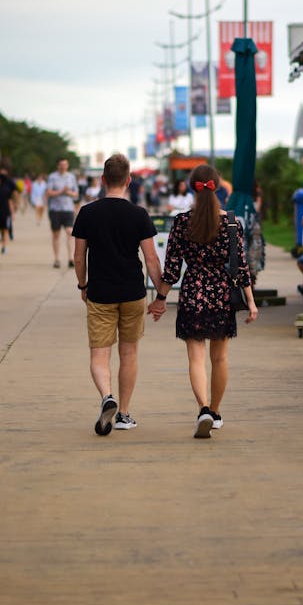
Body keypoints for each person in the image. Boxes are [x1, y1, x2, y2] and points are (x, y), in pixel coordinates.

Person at [148, 163, 258, 439]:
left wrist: (160, 299)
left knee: (195, 359)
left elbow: (172, 269)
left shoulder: (182, 222)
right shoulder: (232, 223)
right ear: (217, 186)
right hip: (221, 296)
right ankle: (216, 412)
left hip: (193, 294)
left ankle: (203, 409)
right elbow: (242, 267)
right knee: (220, 358)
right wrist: (251, 302)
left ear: (191, 187)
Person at [72, 153, 163, 436]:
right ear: (128, 180)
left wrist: (83, 285)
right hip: (133, 292)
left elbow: (78, 257)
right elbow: (151, 259)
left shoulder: (87, 213)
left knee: (100, 354)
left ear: (102, 180)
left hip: (100, 292)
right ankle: (123, 413)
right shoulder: (139, 214)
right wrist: (160, 296)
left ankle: (106, 396)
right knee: (129, 353)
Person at [46, 158, 79, 268]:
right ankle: (56, 259)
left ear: (67, 165)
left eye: (65, 164)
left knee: (70, 232)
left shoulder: (71, 177)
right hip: (55, 209)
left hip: (68, 209)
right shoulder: (52, 177)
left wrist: (68, 192)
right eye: (61, 165)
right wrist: (61, 191)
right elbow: (49, 192)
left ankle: (70, 258)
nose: (63, 166)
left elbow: (76, 194)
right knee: (56, 234)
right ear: (58, 166)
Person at [0, 173, 14, 254]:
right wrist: (12, 213)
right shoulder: (7, 190)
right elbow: (10, 202)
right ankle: (4, 247)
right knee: (5, 231)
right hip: (6, 213)